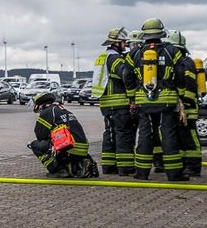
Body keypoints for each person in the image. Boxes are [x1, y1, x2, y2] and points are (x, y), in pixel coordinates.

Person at [132, 18, 187, 181]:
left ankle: (141, 173)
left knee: (145, 135)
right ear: (161, 32)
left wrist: (131, 95)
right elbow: (181, 73)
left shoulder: (135, 52)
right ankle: (174, 174)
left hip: (143, 100)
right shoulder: (172, 51)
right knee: (168, 135)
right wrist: (181, 94)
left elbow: (127, 74)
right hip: (166, 101)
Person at [91, 27, 138, 175]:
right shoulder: (116, 59)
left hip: (106, 103)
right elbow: (125, 75)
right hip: (119, 103)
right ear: (118, 43)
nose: (126, 44)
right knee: (123, 133)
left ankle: (109, 166)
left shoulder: (102, 57)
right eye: (124, 42)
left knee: (110, 133)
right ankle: (125, 167)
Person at [28, 92, 97, 177]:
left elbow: (40, 135)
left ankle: (59, 170)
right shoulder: (63, 110)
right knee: (55, 140)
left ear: (40, 104)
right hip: (82, 149)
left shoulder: (47, 112)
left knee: (35, 145)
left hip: (69, 148)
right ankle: (80, 163)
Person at [168, 30, 202, 177]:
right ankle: (183, 164)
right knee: (180, 136)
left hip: (188, 107)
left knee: (189, 136)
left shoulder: (186, 63)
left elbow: (190, 85)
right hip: (179, 106)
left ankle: (194, 166)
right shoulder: (177, 62)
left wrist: (185, 103)